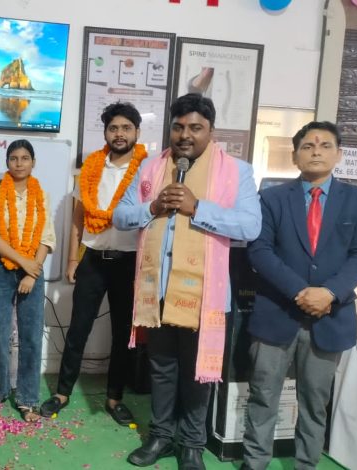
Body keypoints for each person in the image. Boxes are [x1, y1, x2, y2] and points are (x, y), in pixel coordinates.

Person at [114, 93, 261, 469]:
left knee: (198, 373)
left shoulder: (237, 171)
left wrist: (198, 208)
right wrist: (153, 207)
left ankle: (192, 444)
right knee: (162, 367)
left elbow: (250, 226)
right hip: (158, 291)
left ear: (210, 131)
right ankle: (161, 437)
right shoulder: (151, 167)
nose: (185, 135)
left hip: (204, 295)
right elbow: (120, 216)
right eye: (178, 127)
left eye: (195, 127)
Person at [241, 122, 357, 470]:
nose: (316, 151)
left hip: (331, 316)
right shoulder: (271, 198)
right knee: (262, 395)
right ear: (295, 156)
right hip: (277, 313)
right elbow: (260, 251)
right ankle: (254, 462)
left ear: (339, 154)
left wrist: (329, 292)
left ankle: (306, 464)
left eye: (325, 145)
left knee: (315, 402)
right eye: (308, 146)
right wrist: (300, 291)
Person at [40, 102, 146, 425]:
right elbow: (78, 215)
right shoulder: (91, 167)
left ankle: (114, 398)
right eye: (113, 128)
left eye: (126, 128)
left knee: (122, 334)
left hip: (129, 262)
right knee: (78, 328)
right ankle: (62, 393)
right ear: (105, 132)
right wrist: (73, 257)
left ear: (137, 132)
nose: (119, 134)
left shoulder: (148, 170)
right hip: (93, 260)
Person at [0, 139, 56, 422]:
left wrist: (31, 272)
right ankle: (1, 390)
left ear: (33, 162)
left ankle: (27, 398)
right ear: (7, 162)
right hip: (1, 267)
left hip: (34, 268)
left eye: (25, 158)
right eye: (14, 158)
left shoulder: (42, 195)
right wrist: (24, 264)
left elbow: (47, 237)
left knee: (31, 335)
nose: (19, 163)